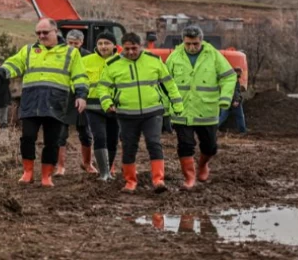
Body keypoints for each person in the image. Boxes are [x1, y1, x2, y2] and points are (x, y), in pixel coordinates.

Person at [0, 18, 88, 187]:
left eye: (45, 32)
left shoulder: (70, 53)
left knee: (52, 141)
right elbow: (13, 65)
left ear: (55, 32)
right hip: (31, 101)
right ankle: (28, 172)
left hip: (56, 102)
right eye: (38, 33)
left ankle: (47, 176)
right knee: (27, 137)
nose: (41, 35)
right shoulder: (29, 50)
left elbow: (80, 76)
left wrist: (81, 95)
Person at [98, 32, 184, 193]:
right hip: (126, 113)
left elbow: (169, 84)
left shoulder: (154, 60)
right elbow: (102, 87)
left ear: (141, 46)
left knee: (154, 143)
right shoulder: (112, 64)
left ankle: (158, 180)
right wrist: (107, 103)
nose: (130, 52)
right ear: (121, 48)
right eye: (127, 49)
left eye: (134, 48)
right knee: (129, 147)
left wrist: (177, 104)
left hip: (152, 111)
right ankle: (130, 182)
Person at [166, 25, 237, 190]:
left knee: (210, 146)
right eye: (188, 44)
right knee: (185, 145)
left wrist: (225, 99)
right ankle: (189, 179)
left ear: (201, 41)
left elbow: (229, 76)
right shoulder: (174, 57)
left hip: (207, 110)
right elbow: (164, 82)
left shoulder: (213, 55)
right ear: (183, 41)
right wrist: (166, 106)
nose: (191, 47)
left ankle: (203, 165)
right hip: (181, 110)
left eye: (195, 44)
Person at [55, 29, 96, 175]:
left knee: (86, 133)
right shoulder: (59, 55)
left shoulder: (89, 57)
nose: (72, 46)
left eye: (76, 43)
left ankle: (87, 164)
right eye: (70, 43)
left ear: (81, 42)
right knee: (61, 134)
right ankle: (60, 166)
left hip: (83, 98)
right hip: (64, 98)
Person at [81, 31, 120, 181]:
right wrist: (80, 96)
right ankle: (103, 172)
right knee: (99, 136)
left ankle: (109, 170)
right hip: (93, 106)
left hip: (114, 107)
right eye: (100, 43)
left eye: (107, 43)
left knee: (112, 139)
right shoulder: (86, 61)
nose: (103, 47)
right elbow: (78, 81)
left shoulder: (121, 61)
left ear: (114, 45)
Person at [218, 67, 247, 133]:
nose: (241, 74)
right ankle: (242, 131)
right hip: (234, 101)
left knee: (222, 117)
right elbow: (235, 91)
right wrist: (236, 100)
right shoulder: (234, 80)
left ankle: (213, 128)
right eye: (240, 72)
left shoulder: (227, 79)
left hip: (226, 100)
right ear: (237, 72)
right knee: (240, 117)